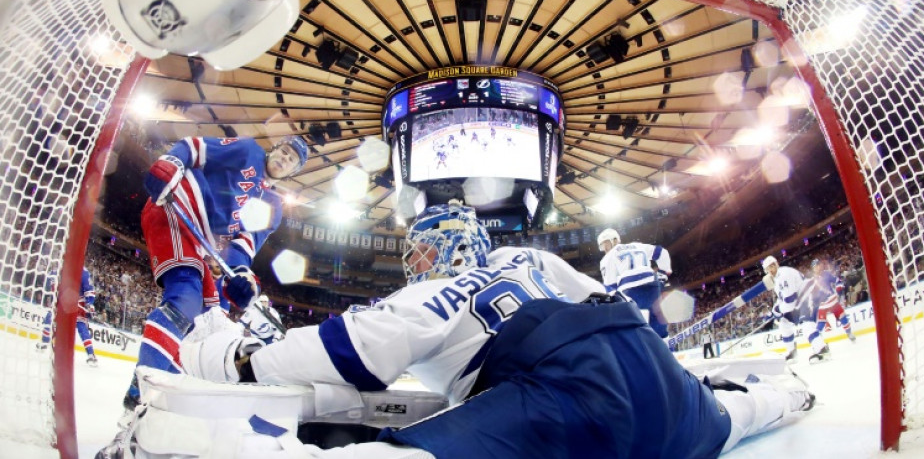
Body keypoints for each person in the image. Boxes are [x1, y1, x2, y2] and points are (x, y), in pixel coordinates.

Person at [179, 203, 815, 458]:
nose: (414, 264)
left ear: (449, 250)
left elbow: (346, 353)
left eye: (423, 252)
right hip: (646, 363)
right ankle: (794, 396)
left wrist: (234, 361)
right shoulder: (538, 259)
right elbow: (604, 310)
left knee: (404, 455)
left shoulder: (434, 290)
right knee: (735, 419)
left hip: (562, 398)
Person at [121, 135, 309, 410]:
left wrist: (242, 279)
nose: (284, 158)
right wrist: (170, 162)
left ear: (294, 171)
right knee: (185, 298)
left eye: (292, 159)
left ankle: (166, 383)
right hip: (175, 206)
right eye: (283, 150)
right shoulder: (248, 151)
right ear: (274, 149)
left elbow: (242, 248)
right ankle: (142, 386)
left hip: (199, 241)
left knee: (210, 317)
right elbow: (193, 147)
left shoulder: (274, 208)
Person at [597, 228, 672, 338]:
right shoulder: (637, 245)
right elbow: (662, 253)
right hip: (651, 281)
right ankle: (665, 349)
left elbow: (611, 287)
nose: (605, 249)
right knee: (657, 321)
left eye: (605, 245)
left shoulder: (607, 258)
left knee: (632, 326)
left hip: (629, 287)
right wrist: (662, 274)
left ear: (613, 240)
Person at [763, 256, 828, 363]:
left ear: (776, 264)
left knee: (807, 324)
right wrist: (774, 311)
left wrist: (778, 310)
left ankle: (822, 349)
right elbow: (782, 299)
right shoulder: (777, 279)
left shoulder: (783, 274)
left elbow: (790, 301)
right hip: (799, 301)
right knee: (784, 323)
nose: (771, 268)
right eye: (768, 268)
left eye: (772, 265)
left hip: (807, 296)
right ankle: (791, 352)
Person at [37, 267, 98, 366]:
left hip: (78, 302)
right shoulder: (56, 270)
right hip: (62, 301)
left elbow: (89, 289)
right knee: (50, 317)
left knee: (81, 326)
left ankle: (91, 354)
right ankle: (44, 341)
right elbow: (51, 286)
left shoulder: (83, 271)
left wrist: (89, 303)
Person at [811, 259, 857, 342]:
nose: (817, 267)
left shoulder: (826, 274)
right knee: (820, 323)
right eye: (815, 266)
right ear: (813, 269)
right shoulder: (813, 280)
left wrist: (839, 287)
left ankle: (849, 333)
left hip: (832, 301)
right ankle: (818, 342)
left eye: (818, 265)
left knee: (843, 317)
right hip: (822, 304)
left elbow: (837, 280)